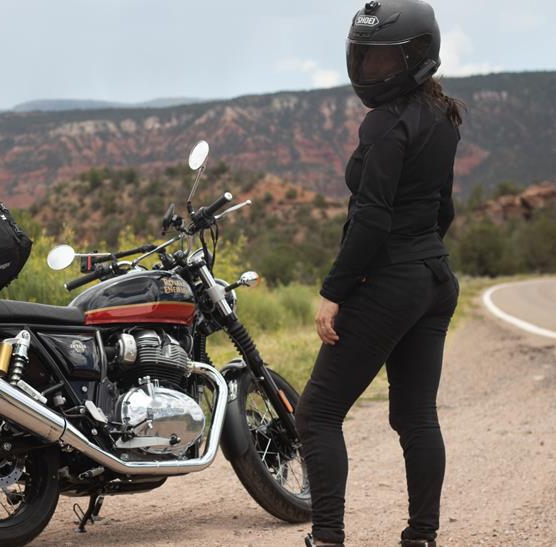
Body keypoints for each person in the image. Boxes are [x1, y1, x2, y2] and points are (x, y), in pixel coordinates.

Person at [295, 1, 464, 546]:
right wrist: (418, 260)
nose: (372, 70)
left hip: (391, 279)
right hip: (433, 278)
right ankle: (421, 536)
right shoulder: (444, 116)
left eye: (384, 60)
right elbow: (443, 211)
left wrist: (333, 291)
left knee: (317, 413)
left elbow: (370, 219)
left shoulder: (385, 123)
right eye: (366, 58)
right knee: (416, 417)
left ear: (416, 57)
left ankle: (327, 538)